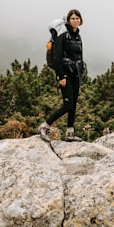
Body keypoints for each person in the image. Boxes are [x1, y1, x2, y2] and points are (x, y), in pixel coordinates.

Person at [39, 9, 84, 142]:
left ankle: (70, 133)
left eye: (77, 18)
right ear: (68, 20)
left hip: (75, 73)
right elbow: (57, 57)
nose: (75, 21)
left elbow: (79, 56)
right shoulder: (63, 35)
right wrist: (61, 76)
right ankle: (45, 126)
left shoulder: (77, 35)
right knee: (67, 105)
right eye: (73, 18)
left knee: (73, 104)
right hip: (65, 74)